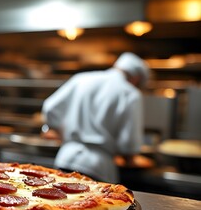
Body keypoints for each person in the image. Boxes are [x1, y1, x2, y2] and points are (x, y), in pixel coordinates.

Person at [41, 52, 150, 183]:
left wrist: (62, 133)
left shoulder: (81, 78)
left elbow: (50, 107)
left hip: (65, 157)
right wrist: (129, 157)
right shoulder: (130, 93)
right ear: (137, 78)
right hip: (98, 167)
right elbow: (129, 143)